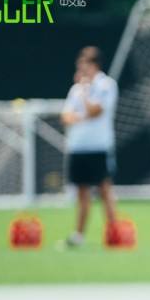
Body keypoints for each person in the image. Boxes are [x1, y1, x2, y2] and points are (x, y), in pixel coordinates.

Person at [60, 46, 119, 247]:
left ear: (95, 65)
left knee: (104, 190)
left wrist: (85, 93)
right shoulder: (75, 89)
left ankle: (114, 234)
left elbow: (96, 111)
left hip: (99, 146)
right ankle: (79, 235)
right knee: (81, 192)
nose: (81, 70)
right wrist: (80, 115)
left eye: (85, 65)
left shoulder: (106, 85)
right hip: (78, 147)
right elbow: (65, 117)